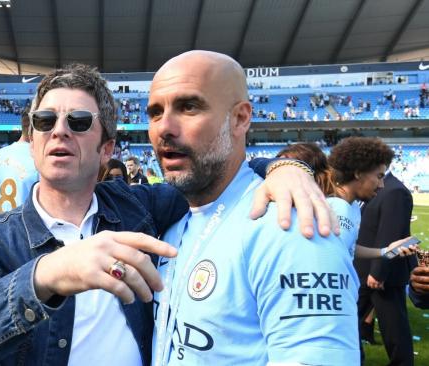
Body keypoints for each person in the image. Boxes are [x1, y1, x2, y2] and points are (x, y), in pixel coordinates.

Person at [0, 63, 335, 366]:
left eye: (78, 122)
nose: (59, 131)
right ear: (33, 141)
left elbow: (213, 171)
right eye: (45, 121)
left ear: (107, 149)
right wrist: (48, 274)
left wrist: (287, 168)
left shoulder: (140, 208)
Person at [150, 51, 359, 365]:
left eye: (188, 106)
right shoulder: (171, 222)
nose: (164, 127)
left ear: (240, 118)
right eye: (154, 112)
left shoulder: (291, 224)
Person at [275, 141, 414, 260]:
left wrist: (386, 251)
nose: (382, 184)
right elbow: (330, 259)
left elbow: (347, 246)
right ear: (358, 173)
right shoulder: (338, 206)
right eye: (379, 176)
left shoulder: (351, 205)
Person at [354, 170, 416, 365]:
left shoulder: (394, 191)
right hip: (365, 272)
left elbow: (391, 234)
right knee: (348, 323)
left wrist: (378, 272)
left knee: (394, 330)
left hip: (381, 276)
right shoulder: (383, 187)